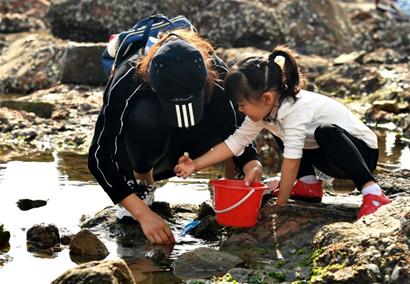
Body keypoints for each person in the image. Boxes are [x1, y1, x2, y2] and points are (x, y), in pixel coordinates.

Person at [88, 29, 262, 245]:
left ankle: (230, 183)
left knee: (226, 107)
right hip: (149, 149)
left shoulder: (217, 72)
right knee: (145, 114)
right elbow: (99, 156)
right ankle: (142, 182)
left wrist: (251, 165)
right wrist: (143, 214)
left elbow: (241, 131)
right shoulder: (129, 78)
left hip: (197, 149)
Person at [175, 45, 391, 219]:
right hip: (330, 156)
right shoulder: (266, 112)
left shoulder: (295, 110)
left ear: (266, 98)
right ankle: (308, 185)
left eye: (242, 105)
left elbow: (292, 160)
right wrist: (195, 164)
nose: (240, 111)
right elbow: (235, 143)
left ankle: (372, 191)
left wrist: (281, 205)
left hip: (360, 155)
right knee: (282, 132)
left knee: (325, 132)